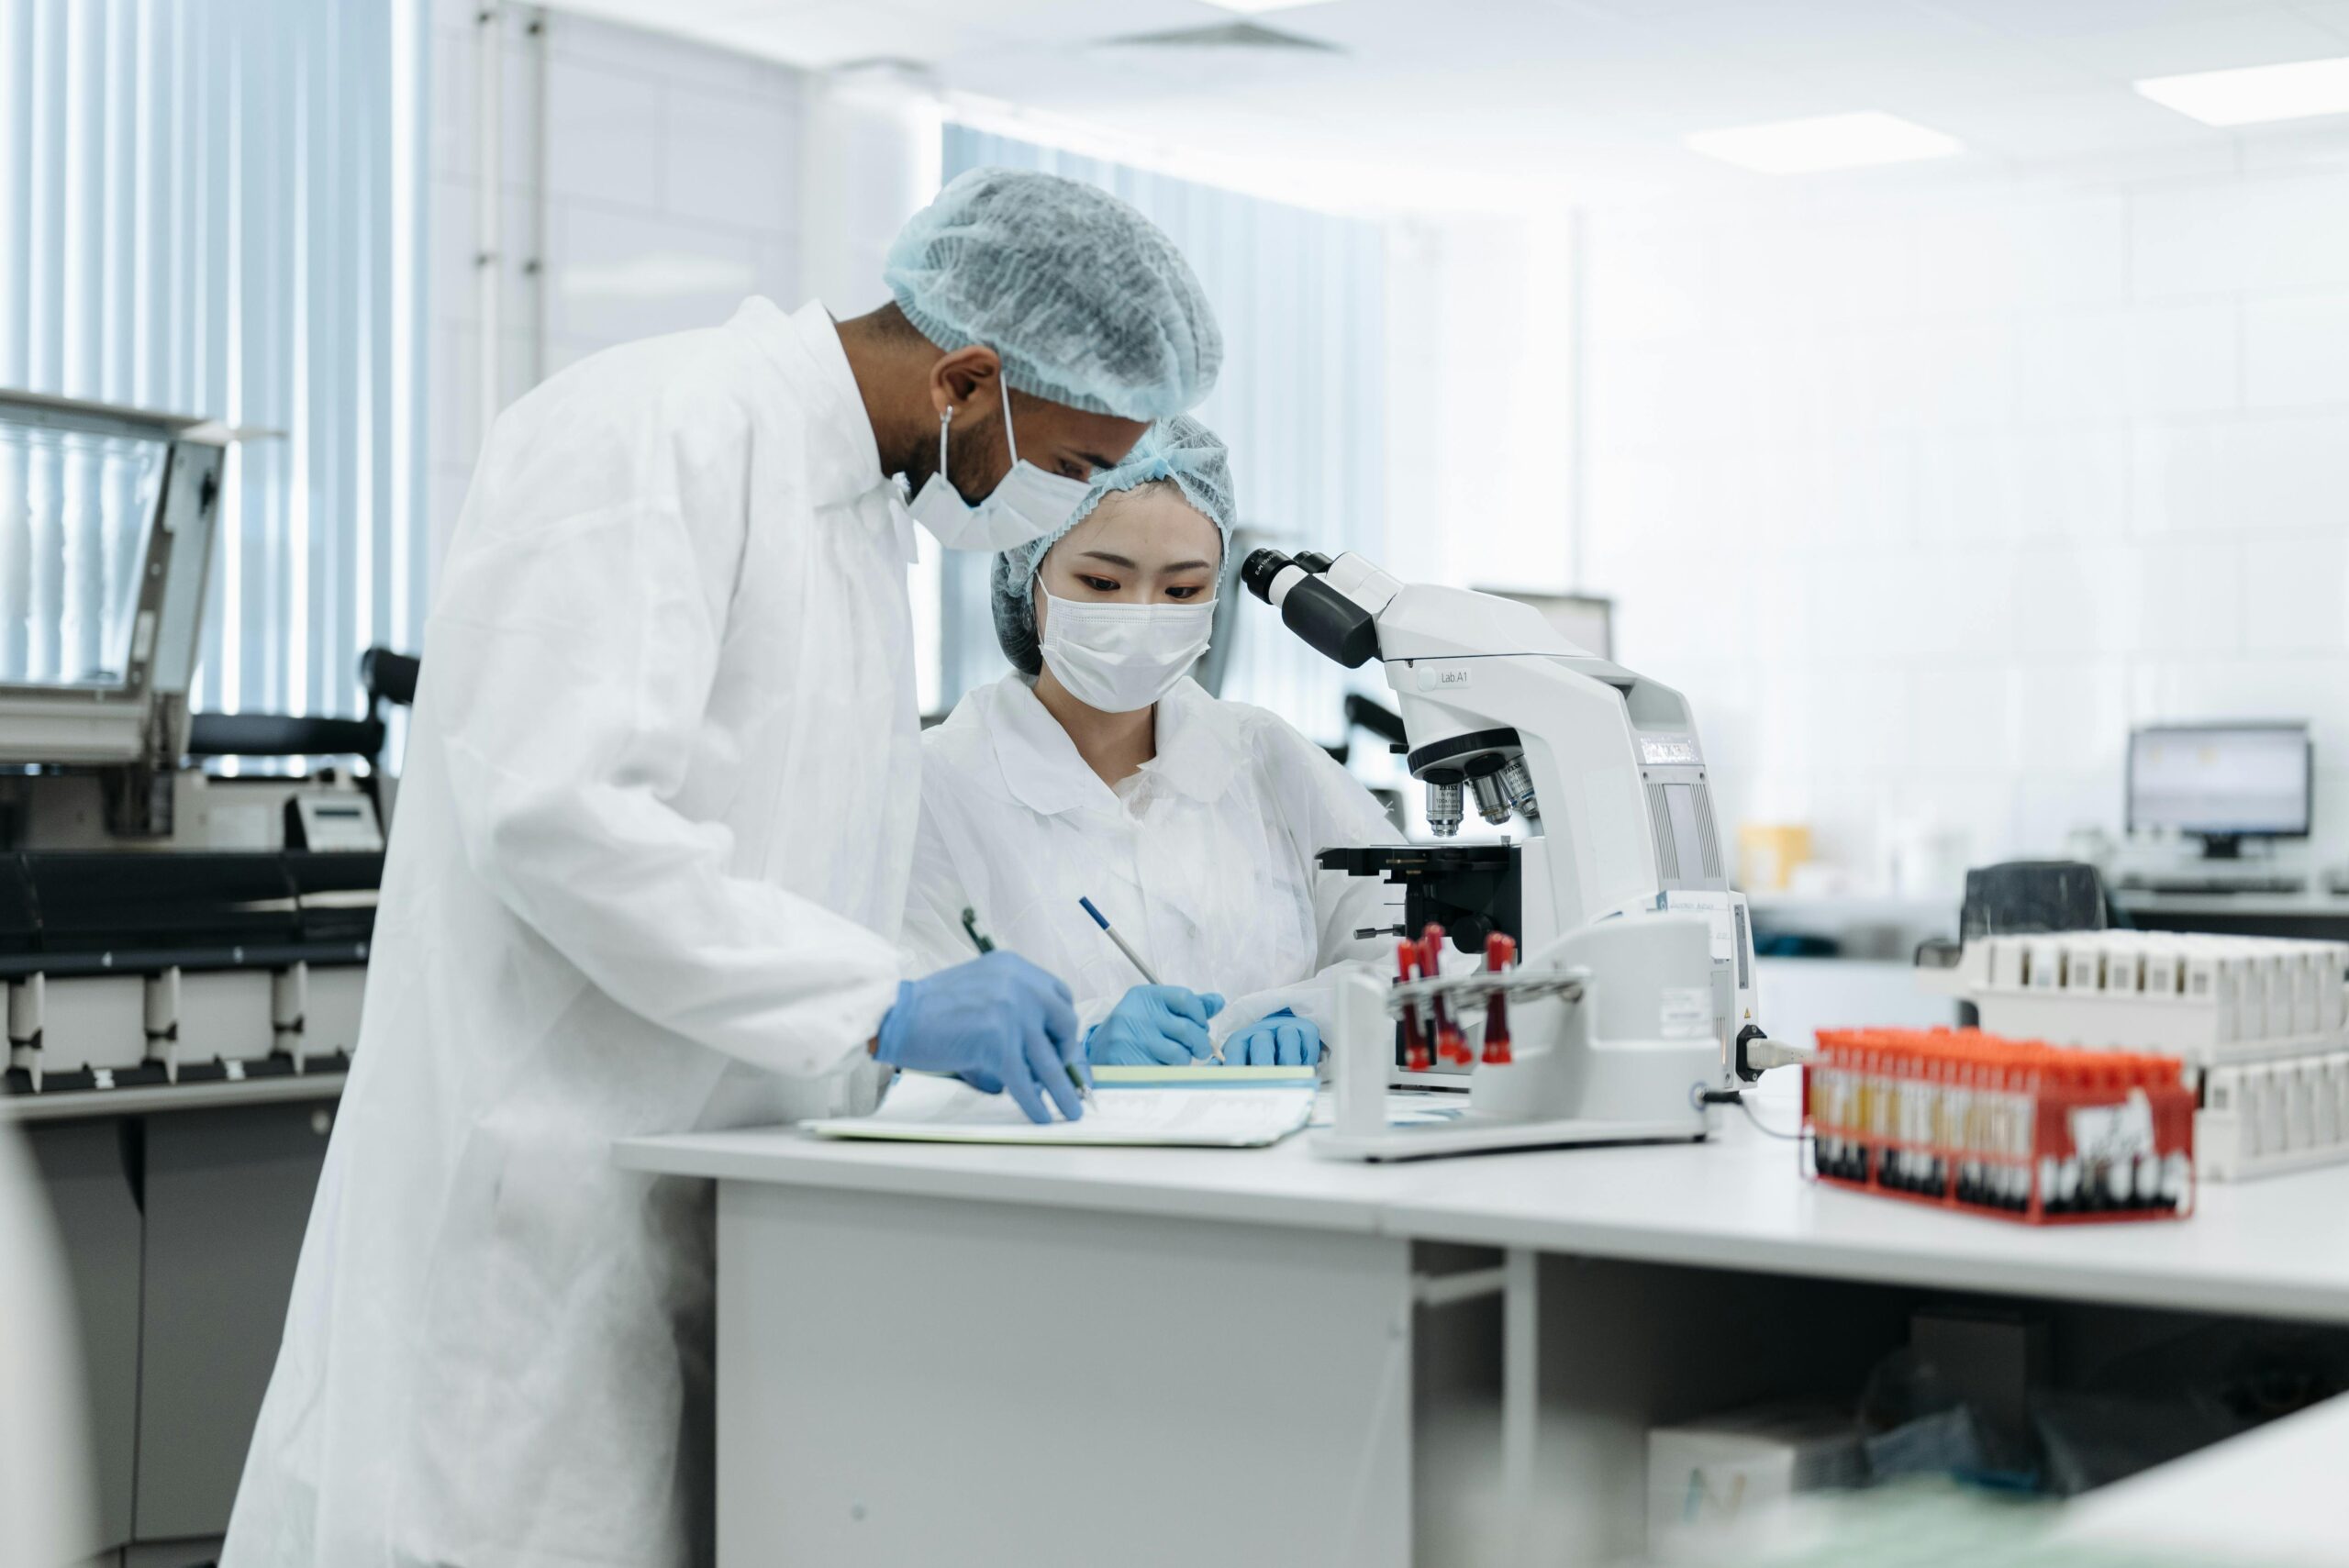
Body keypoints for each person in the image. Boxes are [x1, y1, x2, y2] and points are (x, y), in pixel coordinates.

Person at [221, 168, 1220, 1568]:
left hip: (696, 1220)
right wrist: (882, 1004)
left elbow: (789, 882)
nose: (1059, 506)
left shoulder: (857, 520)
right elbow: (561, 816)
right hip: (531, 1239)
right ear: (972, 375)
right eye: (1067, 464)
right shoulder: (654, 431)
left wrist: (936, 1014)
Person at [903, 417, 1397, 1070]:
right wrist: (1076, 1045)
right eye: (1102, 584)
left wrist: (1318, 1015)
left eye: (1182, 589)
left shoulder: (1267, 761)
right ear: (1032, 576)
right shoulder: (937, 785)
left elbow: (1418, 953)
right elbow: (889, 1032)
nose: (1142, 613)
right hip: (1044, 1166)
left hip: (1275, 1163)